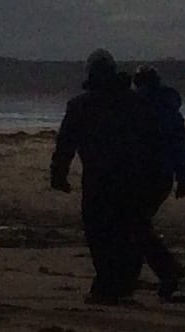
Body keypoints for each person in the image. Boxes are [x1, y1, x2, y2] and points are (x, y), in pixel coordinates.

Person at [50, 50, 162, 303]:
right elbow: (152, 142)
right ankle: (120, 284)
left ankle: (109, 283)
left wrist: (59, 173)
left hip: (99, 179)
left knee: (100, 233)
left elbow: (66, 143)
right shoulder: (135, 103)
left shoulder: (81, 105)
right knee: (126, 231)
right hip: (132, 178)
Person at [137, 64, 185, 302]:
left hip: (146, 175)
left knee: (136, 225)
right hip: (163, 177)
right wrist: (183, 178)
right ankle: (165, 270)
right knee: (138, 224)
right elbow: (180, 147)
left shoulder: (139, 108)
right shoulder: (170, 111)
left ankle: (168, 270)